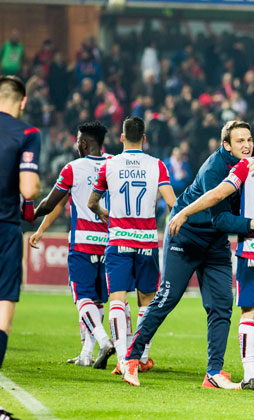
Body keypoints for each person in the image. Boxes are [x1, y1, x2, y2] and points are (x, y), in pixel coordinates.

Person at [121, 119, 254, 389]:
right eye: (239, 141)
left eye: (249, 140)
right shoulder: (214, 169)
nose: (246, 145)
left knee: (221, 306)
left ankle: (213, 373)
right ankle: (131, 358)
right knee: (167, 299)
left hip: (215, 243)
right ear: (226, 145)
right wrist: (251, 224)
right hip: (187, 236)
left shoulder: (253, 159)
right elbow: (219, 219)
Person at [88, 117, 176, 375]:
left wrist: (103, 211)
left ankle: (121, 357)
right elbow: (172, 202)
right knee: (147, 300)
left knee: (117, 298)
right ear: (144, 138)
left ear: (122, 137)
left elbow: (92, 201)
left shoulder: (109, 164)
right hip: (147, 242)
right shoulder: (156, 165)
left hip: (118, 241)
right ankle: (142, 356)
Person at [30, 121, 115, 368]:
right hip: (109, 243)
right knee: (97, 300)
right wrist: (42, 229)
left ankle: (103, 341)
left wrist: (29, 216)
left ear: (84, 143)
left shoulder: (72, 169)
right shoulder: (114, 164)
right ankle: (86, 354)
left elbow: (50, 203)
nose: (76, 144)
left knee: (82, 298)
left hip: (83, 243)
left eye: (78, 140)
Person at [0, 76, 41, 369]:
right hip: (5, 227)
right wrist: (33, 187)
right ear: (23, 101)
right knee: (3, 308)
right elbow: (28, 190)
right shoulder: (27, 132)